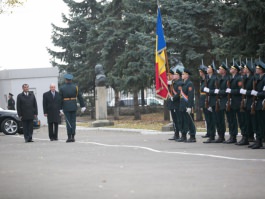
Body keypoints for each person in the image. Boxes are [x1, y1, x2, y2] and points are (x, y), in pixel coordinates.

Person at [59, 74, 86, 142]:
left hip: (66, 106)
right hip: (73, 106)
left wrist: (60, 108)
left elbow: (60, 99)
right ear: (71, 80)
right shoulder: (75, 87)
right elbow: (80, 97)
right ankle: (73, 137)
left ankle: (69, 137)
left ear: (66, 80)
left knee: (68, 122)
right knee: (73, 122)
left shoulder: (62, 88)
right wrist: (83, 106)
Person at [224, 62, 246, 144]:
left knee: (241, 120)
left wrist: (231, 91)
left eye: (232, 68)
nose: (230, 69)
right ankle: (233, 136)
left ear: (236, 70)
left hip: (238, 101)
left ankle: (244, 137)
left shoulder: (239, 78)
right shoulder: (231, 78)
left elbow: (240, 91)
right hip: (232, 102)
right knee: (231, 120)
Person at [178, 68, 196, 142]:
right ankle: (184, 135)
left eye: (183, 74)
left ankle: (192, 136)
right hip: (182, 105)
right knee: (183, 121)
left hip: (187, 105)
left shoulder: (190, 84)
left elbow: (191, 96)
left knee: (189, 121)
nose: (182, 75)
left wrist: (189, 106)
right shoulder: (183, 83)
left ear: (187, 75)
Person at [203, 64, 218, 143]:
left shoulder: (215, 78)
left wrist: (209, 91)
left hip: (213, 101)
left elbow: (216, 91)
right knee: (210, 119)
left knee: (213, 119)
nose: (207, 69)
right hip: (209, 101)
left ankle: (213, 136)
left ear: (212, 69)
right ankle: (211, 136)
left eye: (209, 68)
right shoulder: (208, 78)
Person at [168, 69, 182, 141]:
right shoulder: (172, 83)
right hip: (172, 104)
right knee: (174, 120)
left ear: (179, 76)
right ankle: (176, 133)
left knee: (178, 120)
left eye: (175, 74)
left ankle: (180, 134)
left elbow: (179, 93)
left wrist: (174, 97)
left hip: (177, 103)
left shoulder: (179, 83)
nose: (174, 76)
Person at [198, 65, 211, 139]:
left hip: (207, 100)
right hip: (203, 100)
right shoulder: (202, 80)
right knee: (207, 118)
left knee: (209, 118)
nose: (199, 73)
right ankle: (208, 132)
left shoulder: (207, 80)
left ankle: (210, 132)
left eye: (200, 71)